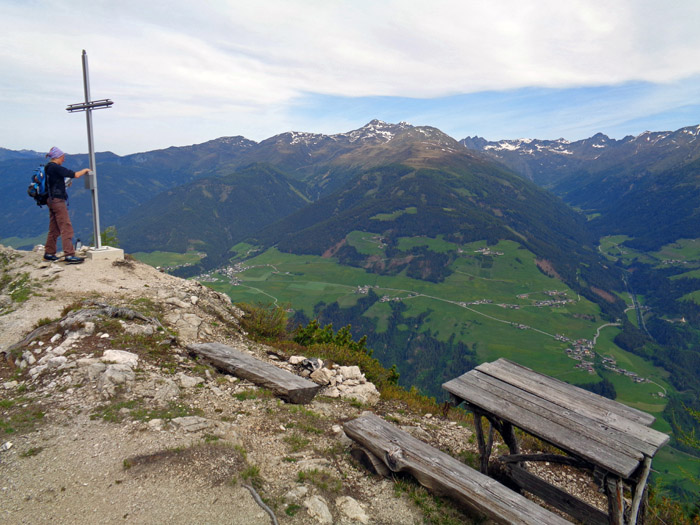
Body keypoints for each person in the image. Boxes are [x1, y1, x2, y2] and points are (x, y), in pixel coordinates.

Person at [43, 146, 91, 264]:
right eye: (63, 157)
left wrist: (63, 186)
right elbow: (74, 174)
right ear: (58, 157)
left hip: (50, 199)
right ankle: (69, 254)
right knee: (66, 226)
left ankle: (49, 253)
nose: (63, 160)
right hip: (58, 201)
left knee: (54, 227)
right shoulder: (55, 167)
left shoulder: (48, 168)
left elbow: (53, 183)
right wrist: (85, 170)